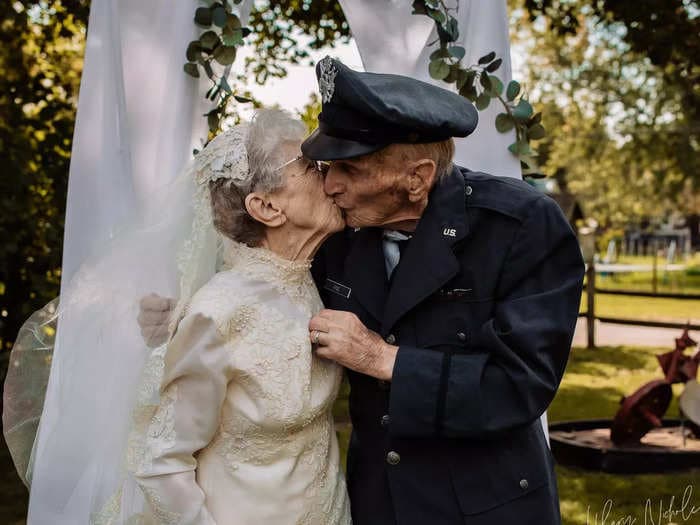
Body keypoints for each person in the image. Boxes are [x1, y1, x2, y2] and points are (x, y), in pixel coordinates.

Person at [140, 58, 585, 524]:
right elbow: (264, 285)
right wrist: (186, 315)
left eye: (348, 169)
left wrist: (382, 358)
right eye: (325, 167)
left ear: (416, 178)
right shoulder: (339, 231)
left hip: (485, 507)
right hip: (376, 504)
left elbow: (519, 386)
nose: (330, 184)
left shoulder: (520, 227)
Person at [15, 109, 352, 524]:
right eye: (307, 165)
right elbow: (161, 466)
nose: (329, 173)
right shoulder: (218, 311)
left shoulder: (309, 277)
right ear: (266, 207)